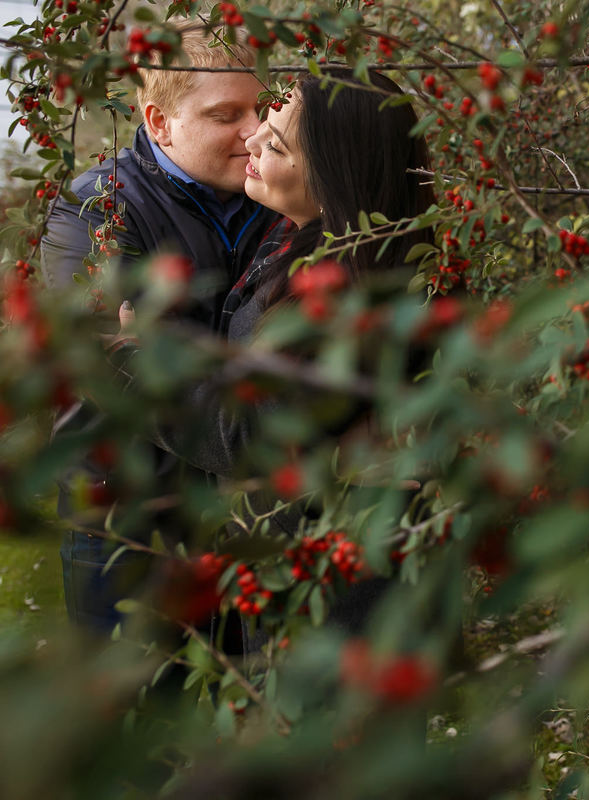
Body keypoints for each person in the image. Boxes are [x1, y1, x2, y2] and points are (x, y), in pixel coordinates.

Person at [112, 69, 435, 633]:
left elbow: (249, 436)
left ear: (334, 177)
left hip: (340, 604)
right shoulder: (306, 243)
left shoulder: (343, 294)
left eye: (277, 141)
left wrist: (135, 362)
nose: (253, 139)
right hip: (304, 575)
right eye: (266, 118)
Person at [46, 22, 280, 634]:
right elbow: (97, 359)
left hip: (251, 508)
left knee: (256, 699)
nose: (254, 130)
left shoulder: (278, 195)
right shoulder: (95, 209)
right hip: (129, 517)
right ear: (159, 122)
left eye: (260, 107)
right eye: (225, 114)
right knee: (137, 708)